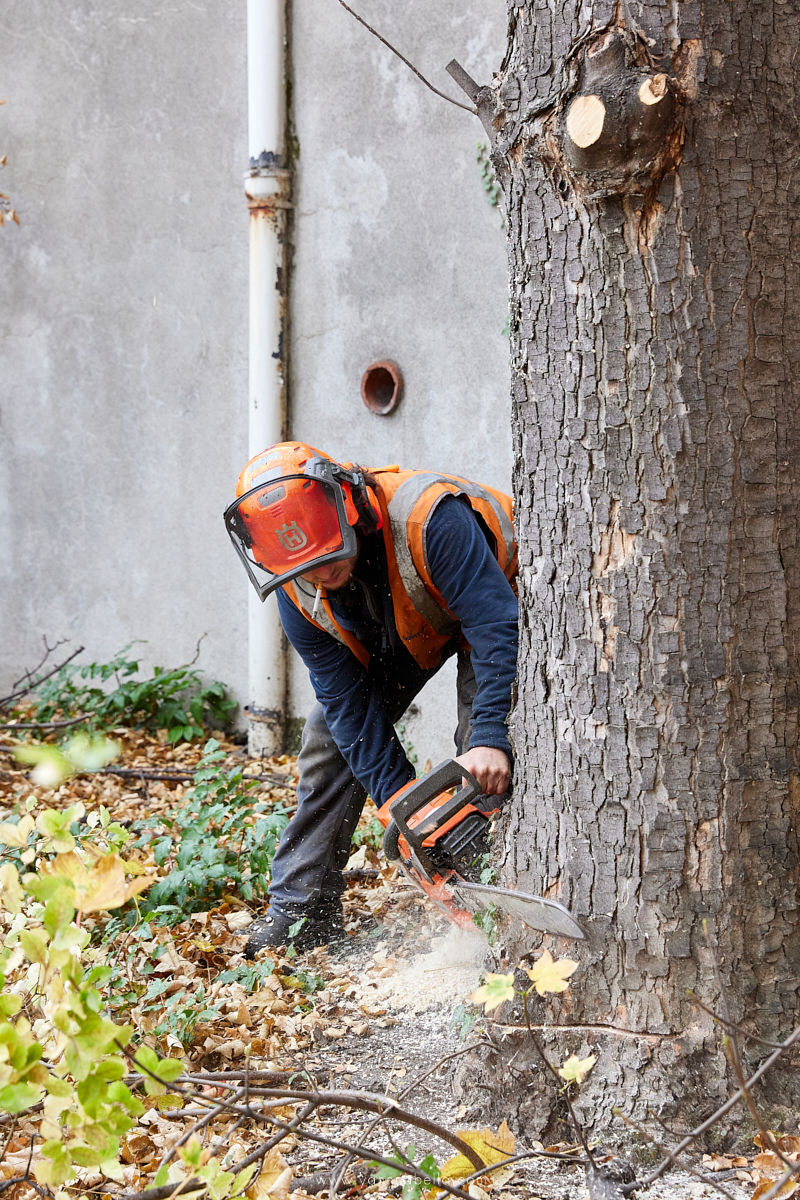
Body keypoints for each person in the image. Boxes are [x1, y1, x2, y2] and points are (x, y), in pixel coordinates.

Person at [224, 441, 519, 955]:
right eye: (304, 566)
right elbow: (347, 705)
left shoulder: (430, 521)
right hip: (405, 623)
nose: (317, 574)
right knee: (328, 740)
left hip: (495, 603)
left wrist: (491, 736)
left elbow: (496, 626)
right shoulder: (299, 588)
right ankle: (303, 911)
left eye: (326, 555)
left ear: (350, 507)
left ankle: (511, 899)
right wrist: (405, 811)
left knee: (485, 752)